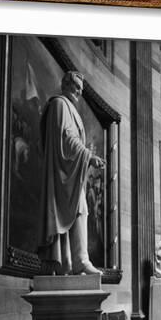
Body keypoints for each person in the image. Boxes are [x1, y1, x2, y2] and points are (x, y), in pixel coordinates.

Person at [37, 71, 105, 275]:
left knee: (82, 210)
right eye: (75, 86)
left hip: (71, 173)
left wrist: (84, 157)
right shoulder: (59, 105)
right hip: (61, 175)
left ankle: (80, 260)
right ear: (65, 85)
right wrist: (88, 156)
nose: (78, 91)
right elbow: (66, 138)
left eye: (80, 89)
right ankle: (76, 260)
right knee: (80, 209)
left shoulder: (70, 109)